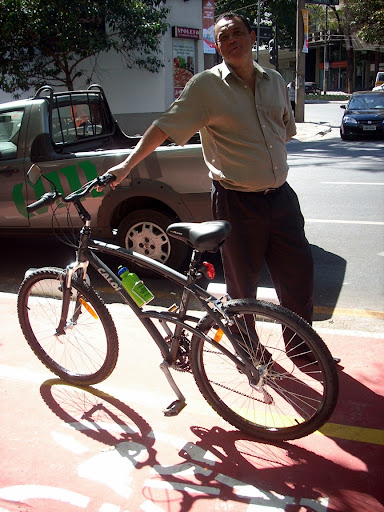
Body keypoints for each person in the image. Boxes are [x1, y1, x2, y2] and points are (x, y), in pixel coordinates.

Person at [101, 12, 314, 327]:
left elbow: (285, 130)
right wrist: (127, 164)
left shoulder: (275, 81)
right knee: (243, 286)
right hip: (237, 201)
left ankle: (304, 350)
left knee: (299, 273)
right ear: (218, 46)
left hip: (281, 197)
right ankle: (247, 351)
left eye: (236, 33)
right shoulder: (205, 87)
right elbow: (164, 127)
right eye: (223, 37)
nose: (231, 40)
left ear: (252, 37)